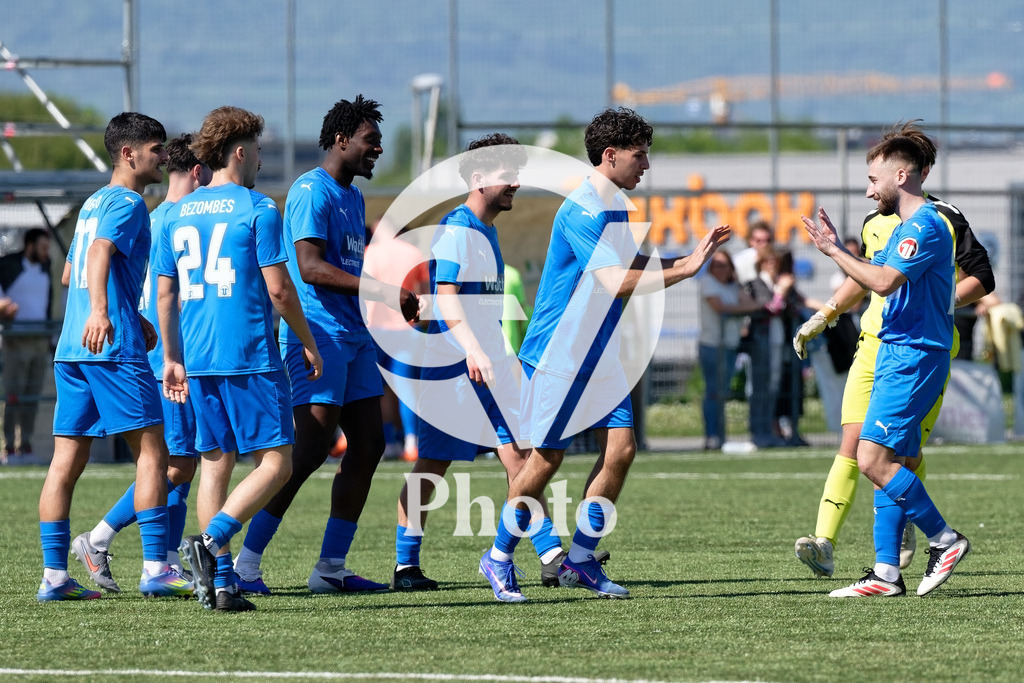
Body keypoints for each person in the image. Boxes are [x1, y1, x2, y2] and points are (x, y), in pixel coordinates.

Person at [480, 108, 729, 602]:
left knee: (622, 450)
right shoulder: (582, 208)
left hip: (598, 352)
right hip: (559, 352)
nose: (647, 166)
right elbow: (612, 281)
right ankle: (499, 556)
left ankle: (580, 559)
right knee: (544, 462)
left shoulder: (615, 206)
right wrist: (684, 272)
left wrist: (686, 260)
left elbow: (629, 264)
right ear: (610, 156)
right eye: (640, 156)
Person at [232, 95, 416, 596]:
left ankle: (329, 568)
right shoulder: (310, 191)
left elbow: (348, 271)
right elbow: (309, 268)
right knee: (308, 450)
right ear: (340, 140)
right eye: (370, 140)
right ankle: (245, 565)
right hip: (316, 334)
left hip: (353, 335)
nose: (377, 148)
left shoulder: (353, 197)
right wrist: (381, 290)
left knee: (372, 444)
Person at [793, 121, 993, 582]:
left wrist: (830, 250)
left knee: (875, 458)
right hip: (888, 351)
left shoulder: (929, 223)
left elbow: (884, 281)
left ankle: (944, 539)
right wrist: (824, 312)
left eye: (872, 180)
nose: (867, 192)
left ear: (901, 176)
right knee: (879, 454)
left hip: (916, 353)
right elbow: (870, 274)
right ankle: (884, 572)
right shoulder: (897, 225)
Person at [157, 106, 323, 612]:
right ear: (240, 152)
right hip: (250, 354)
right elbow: (279, 291)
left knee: (214, 465)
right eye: (259, 148)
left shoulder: (177, 212)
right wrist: (308, 340)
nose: (260, 159)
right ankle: (210, 545)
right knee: (277, 463)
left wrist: (172, 357)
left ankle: (224, 584)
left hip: (200, 358)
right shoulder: (258, 208)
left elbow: (166, 295)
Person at [392, 134, 566, 592]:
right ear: (477, 178)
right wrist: (471, 347)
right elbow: (445, 294)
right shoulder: (459, 229)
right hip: (457, 368)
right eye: (507, 175)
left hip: (485, 368)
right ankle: (405, 565)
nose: (515, 183)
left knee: (521, 458)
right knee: (432, 467)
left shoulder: (485, 230)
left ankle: (551, 556)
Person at [39, 112, 186, 602]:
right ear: (130, 154)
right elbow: (100, 254)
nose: (165, 158)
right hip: (110, 348)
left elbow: (70, 275)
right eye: (157, 148)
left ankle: (55, 578)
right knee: (153, 452)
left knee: (65, 462)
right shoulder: (127, 202)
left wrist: (116, 308)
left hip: (72, 350)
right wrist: (106, 312)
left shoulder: (93, 203)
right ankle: (155, 569)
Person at [71, 134, 211, 593]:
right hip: (170, 358)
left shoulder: (150, 216)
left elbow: (124, 282)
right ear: (197, 170)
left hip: (160, 350)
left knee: (181, 464)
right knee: (171, 464)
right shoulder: (183, 217)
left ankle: (167, 560)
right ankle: (103, 540)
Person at [363, 215, 429, 462]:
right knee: (406, 387)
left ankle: (388, 441)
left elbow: (363, 292)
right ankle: (412, 442)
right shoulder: (414, 252)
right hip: (408, 329)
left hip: (375, 329)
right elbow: (424, 292)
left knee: (378, 391)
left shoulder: (371, 252)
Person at [697, 251, 761, 450]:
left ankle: (720, 435)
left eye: (725, 265)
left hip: (730, 344)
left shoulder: (734, 285)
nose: (721, 269)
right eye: (717, 265)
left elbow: (749, 303)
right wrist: (744, 308)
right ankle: (712, 435)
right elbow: (720, 307)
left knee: (722, 391)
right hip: (712, 345)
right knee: (714, 392)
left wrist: (744, 306)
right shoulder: (707, 282)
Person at [0, 228, 53, 460]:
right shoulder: (9, 265)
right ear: (29, 245)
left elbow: (48, 302)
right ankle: (9, 446)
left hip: (40, 340)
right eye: (42, 247)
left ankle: (26, 445)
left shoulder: (46, 267)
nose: (45, 252)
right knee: (14, 395)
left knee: (33, 394)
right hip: (16, 340)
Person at [732, 219, 773, 285]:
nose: (764, 245)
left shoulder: (777, 260)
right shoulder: (739, 260)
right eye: (758, 241)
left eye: (767, 240)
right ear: (750, 241)